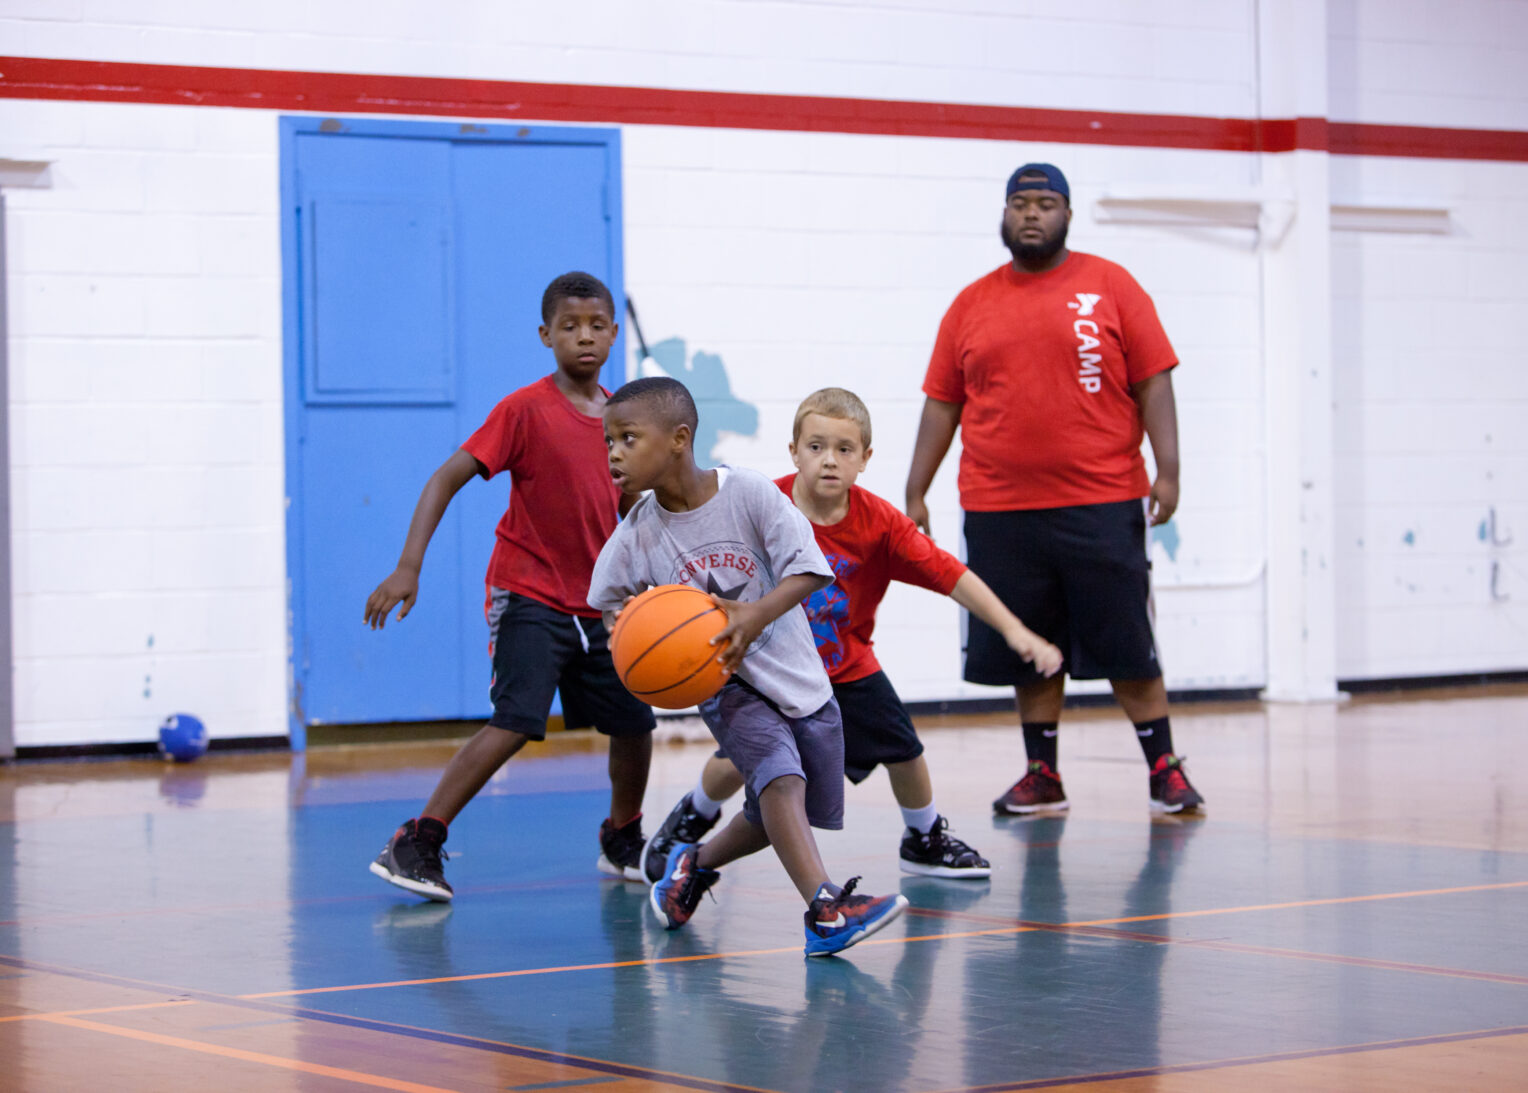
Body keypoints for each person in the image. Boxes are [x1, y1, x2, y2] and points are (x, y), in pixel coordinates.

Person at [642, 387, 1063, 884]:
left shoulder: (880, 523)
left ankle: (923, 837)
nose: (829, 460)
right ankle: (693, 815)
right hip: (769, 669)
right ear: (794, 451)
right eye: (816, 446)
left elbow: (951, 575)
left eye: (844, 449)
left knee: (905, 750)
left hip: (846, 667)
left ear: (865, 459)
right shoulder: (762, 505)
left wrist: (1015, 631)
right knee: (738, 761)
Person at [904, 163, 1205, 817]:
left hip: (1102, 498)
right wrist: (916, 488)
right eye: (1020, 203)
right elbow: (941, 402)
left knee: (1125, 639)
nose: (1031, 213)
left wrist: (1169, 468)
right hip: (999, 506)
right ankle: (1042, 774)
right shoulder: (970, 303)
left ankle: (1165, 769)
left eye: (1045, 203)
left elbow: (1154, 379)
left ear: (1067, 214)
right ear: (1004, 215)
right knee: (1026, 643)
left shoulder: (1111, 286)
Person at [363, 271, 658, 902]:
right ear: (546, 335)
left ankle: (623, 837)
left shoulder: (622, 420)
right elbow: (446, 477)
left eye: (597, 325)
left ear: (614, 333)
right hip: (529, 593)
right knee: (516, 720)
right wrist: (409, 565)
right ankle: (416, 839)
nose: (585, 336)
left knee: (635, 721)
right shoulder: (524, 410)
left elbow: (632, 510)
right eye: (570, 326)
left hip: (600, 604)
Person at [588, 376, 907, 957]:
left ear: (679, 438)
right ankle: (827, 911)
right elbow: (606, 598)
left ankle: (692, 866)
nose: (614, 452)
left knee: (772, 815)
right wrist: (633, 633)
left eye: (628, 438)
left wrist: (755, 615)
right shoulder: (636, 535)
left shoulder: (749, 494)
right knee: (782, 780)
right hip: (726, 687)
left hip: (798, 676)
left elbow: (809, 569)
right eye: (609, 441)